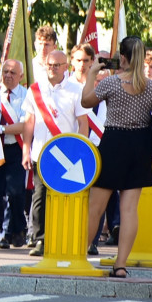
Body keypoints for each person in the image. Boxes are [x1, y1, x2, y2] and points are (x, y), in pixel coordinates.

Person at [81, 36, 152, 278]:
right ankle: (121, 264)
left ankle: (80, 255)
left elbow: (85, 101)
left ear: (122, 58)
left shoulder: (113, 83)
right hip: (141, 145)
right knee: (129, 210)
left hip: (114, 142)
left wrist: (91, 74)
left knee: (96, 207)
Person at [22, 50, 88, 256]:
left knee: (66, 198)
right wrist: (26, 148)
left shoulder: (76, 90)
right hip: (41, 153)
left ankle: (66, 237)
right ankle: (41, 240)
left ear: (66, 67)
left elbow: (83, 123)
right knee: (39, 198)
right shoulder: (35, 89)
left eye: (57, 65)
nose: (52, 68)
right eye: (49, 65)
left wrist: (80, 149)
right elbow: (29, 121)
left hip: (67, 156)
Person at [0, 58, 28, 250]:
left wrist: (0, 129)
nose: (8, 75)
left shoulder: (27, 95)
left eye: (12, 72)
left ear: (21, 76)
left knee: (15, 192)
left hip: (15, 148)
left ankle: (17, 229)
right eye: (5, 72)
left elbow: (25, 125)